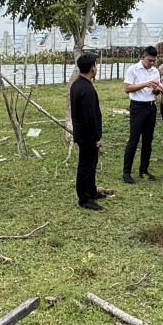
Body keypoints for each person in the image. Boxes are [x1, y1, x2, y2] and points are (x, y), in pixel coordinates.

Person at [69, 53, 105, 211]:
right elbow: (90, 115)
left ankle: (92, 191)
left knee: (91, 164)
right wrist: (96, 137)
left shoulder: (76, 84)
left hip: (81, 132)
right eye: (95, 65)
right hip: (88, 135)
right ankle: (84, 199)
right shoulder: (87, 89)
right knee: (85, 166)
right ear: (93, 68)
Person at [121, 46, 160, 184]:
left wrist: (156, 89)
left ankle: (144, 169)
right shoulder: (133, 69)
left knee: (148, 140)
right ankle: (126, 172)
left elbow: (156, 92)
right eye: (149, 60)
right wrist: (145, 84)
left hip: (151, 106)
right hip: (137, 106)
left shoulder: (155, 71)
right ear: (143, 57)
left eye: (154, 61)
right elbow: (127, 88)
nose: (152, 63)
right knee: (134, 139)